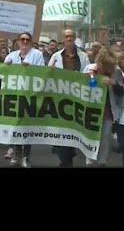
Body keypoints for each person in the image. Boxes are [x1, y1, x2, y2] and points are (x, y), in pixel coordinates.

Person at [48, 29, 90, 166]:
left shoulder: (83, 57)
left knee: (74, 130)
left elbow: (89, 74)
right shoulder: (55, 57)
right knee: (62, 130)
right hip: (60, 99)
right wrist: (51, 72)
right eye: (67, 36)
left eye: (72, 36)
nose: (69, 38)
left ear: (75, 38)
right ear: (63, 39)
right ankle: (65, 160)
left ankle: (69, 153)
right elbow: (47, 75)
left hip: (77, 99)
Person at [4, 32, 45, 168]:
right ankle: (16, 153)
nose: (25, 41)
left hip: (30, 96)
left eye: (28, 39)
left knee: (27, 127)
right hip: (15, 97)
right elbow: (3, 74)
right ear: (18, 42)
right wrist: (7, 66)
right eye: (23, 39)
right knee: (15, 126)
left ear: (31, 42)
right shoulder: (11, 56)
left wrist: (31, 69)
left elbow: (41, 73)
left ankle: (26, 156)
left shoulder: (37, 55)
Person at [82, 47, 124, 166]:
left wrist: (113, 83)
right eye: (107, 65)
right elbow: (81, 88)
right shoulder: (89, 69)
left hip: (108, 110)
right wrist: (91, 79)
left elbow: (122, 92)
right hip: (91, 108)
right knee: (90, 135)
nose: (110, 68)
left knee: (105, 138)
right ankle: (89, 160)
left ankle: (102, 161)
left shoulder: (117, 73)